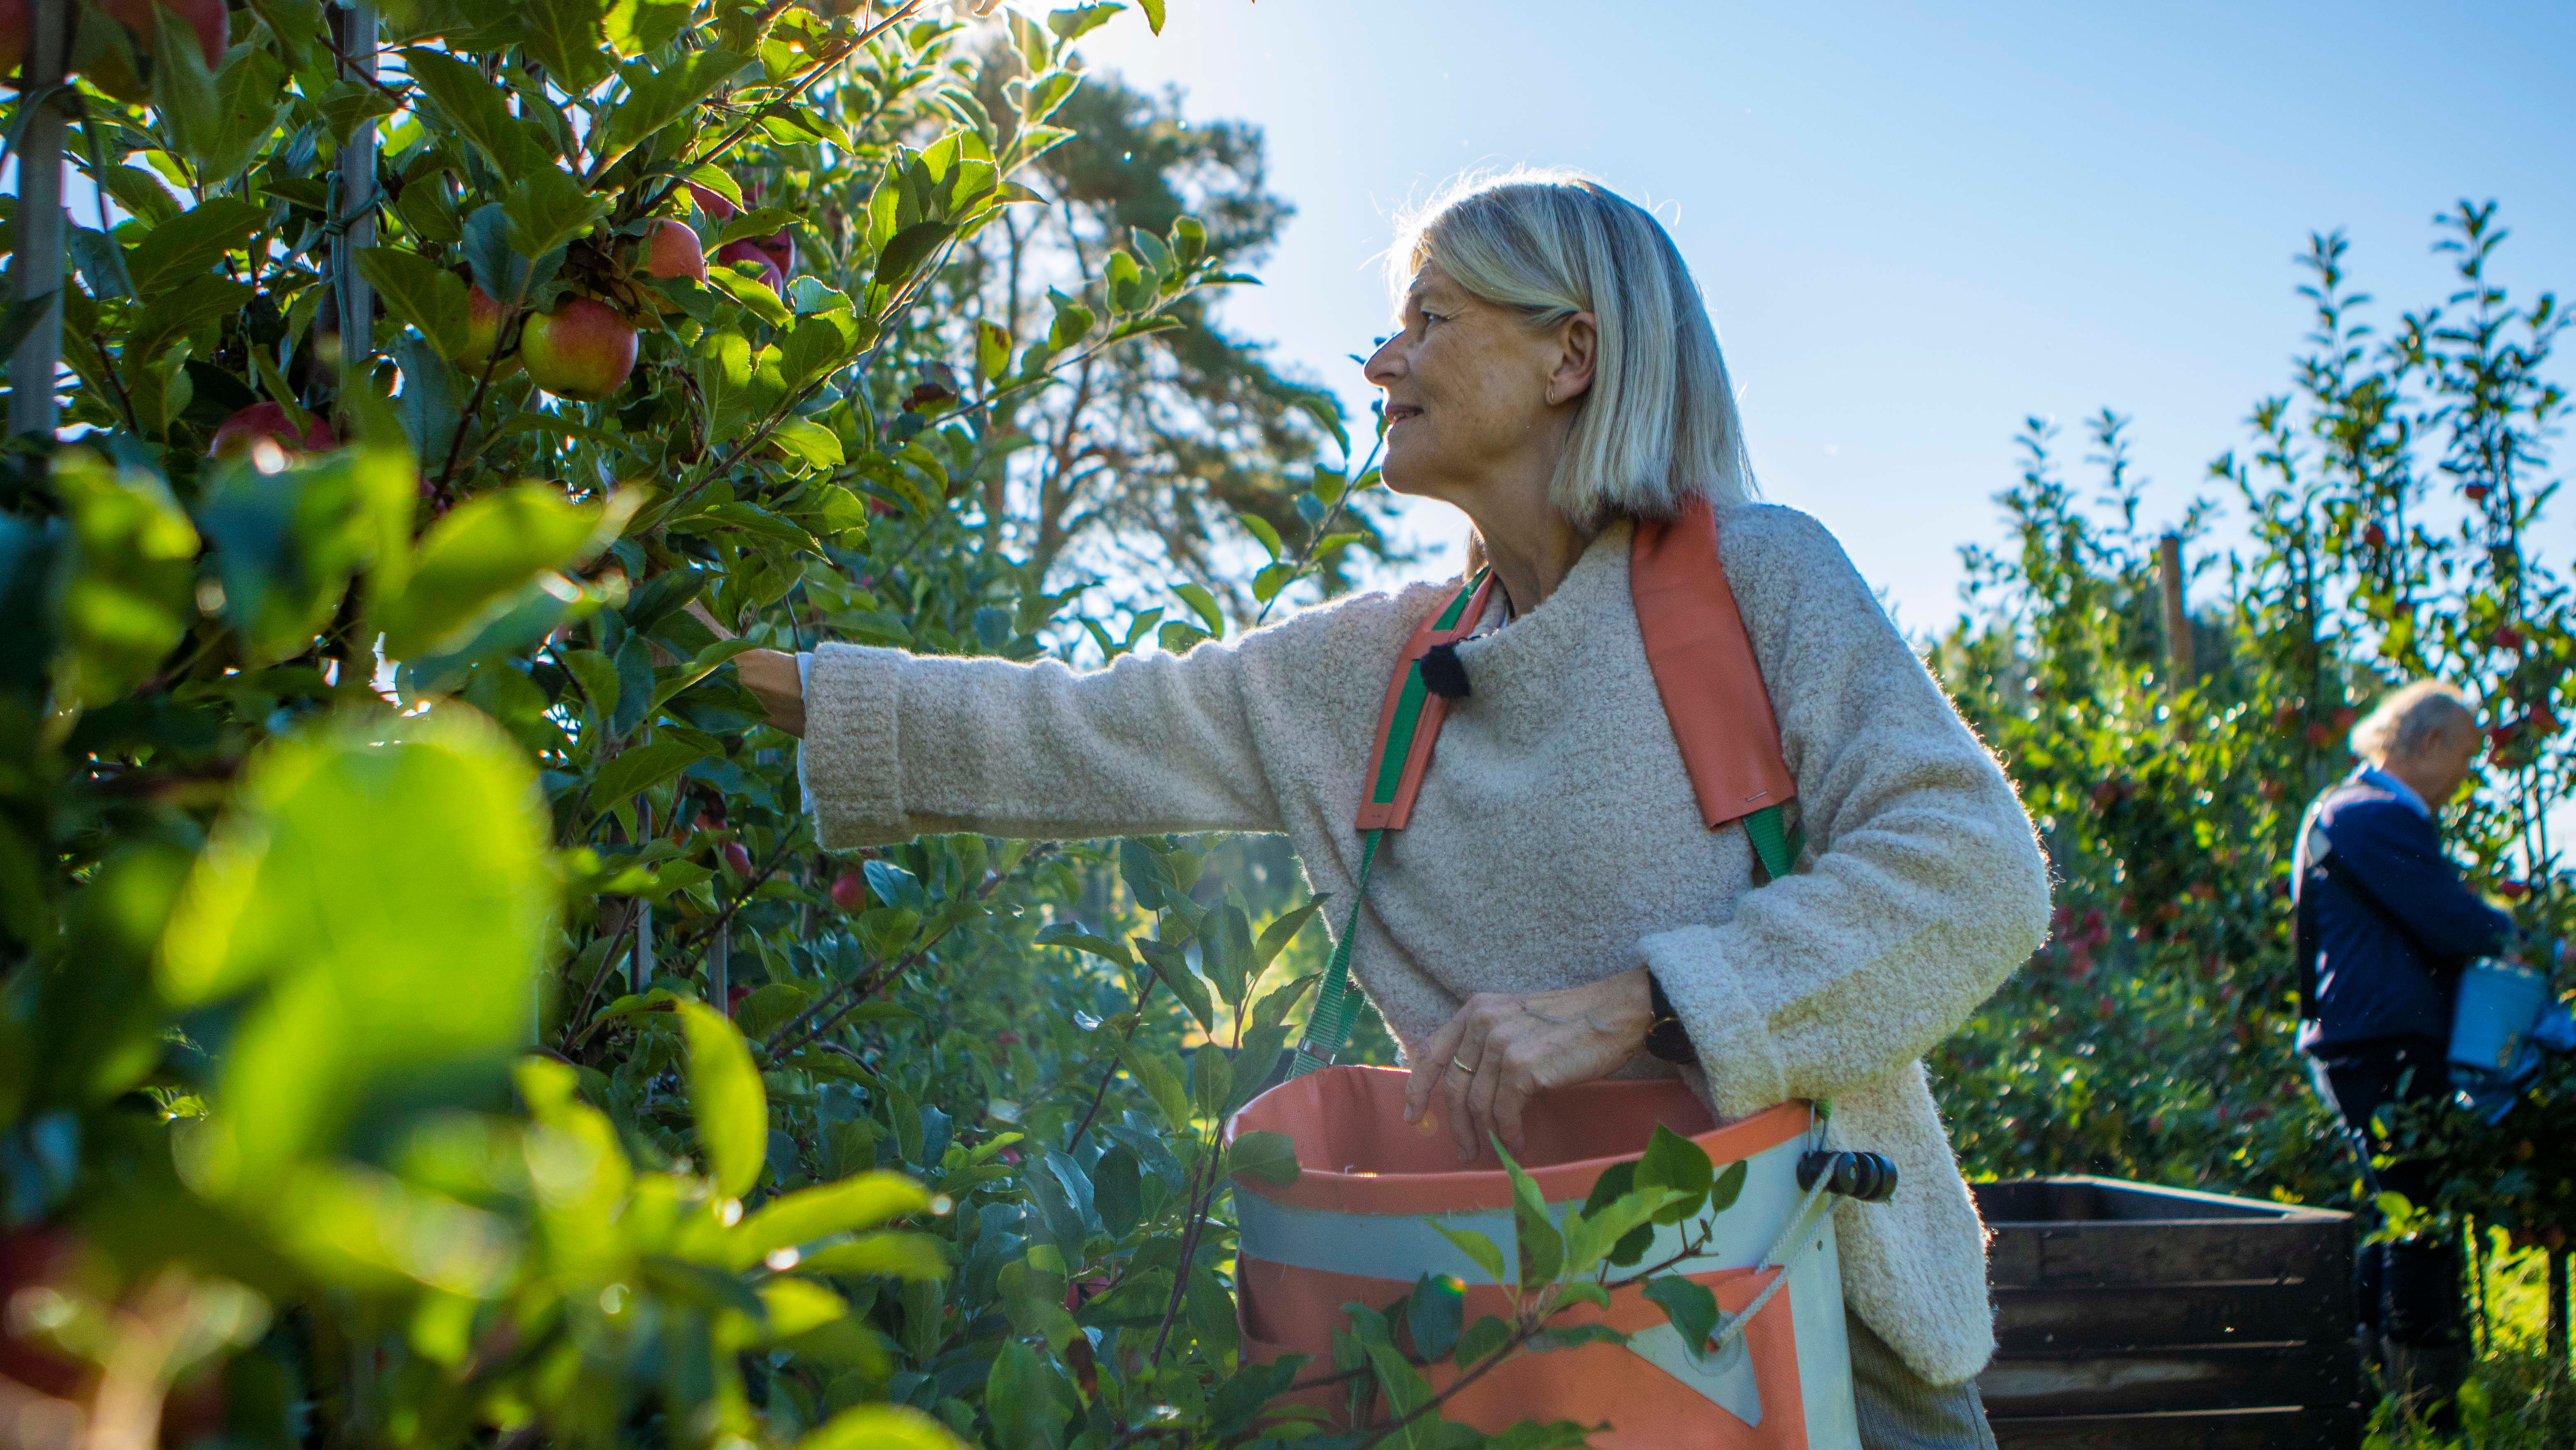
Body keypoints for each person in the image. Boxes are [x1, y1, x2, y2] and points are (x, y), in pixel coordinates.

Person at [733, 169, 2051, 1449]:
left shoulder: (1762, 584)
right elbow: (1075, 725)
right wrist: (729, 676)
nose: (1381, 363)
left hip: (1819, 1324)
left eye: (1431, 321)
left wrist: (1635, 1004)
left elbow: (1975, 867)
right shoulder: (1383, 675)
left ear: (1570, 355)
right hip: (1526, 1360)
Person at [2294, 680, 2514, 1424]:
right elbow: (2453, 923)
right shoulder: (2373, 815)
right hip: (2377, 1046)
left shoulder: (2358, 813)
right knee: (2415, 1215)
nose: (2467, 771)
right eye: (2464, 752)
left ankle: (2369, 1395)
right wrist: (2519, 936)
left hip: (2368, 1042)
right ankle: (2428, 1407)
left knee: (2397, 1208)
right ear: (2425, 744)